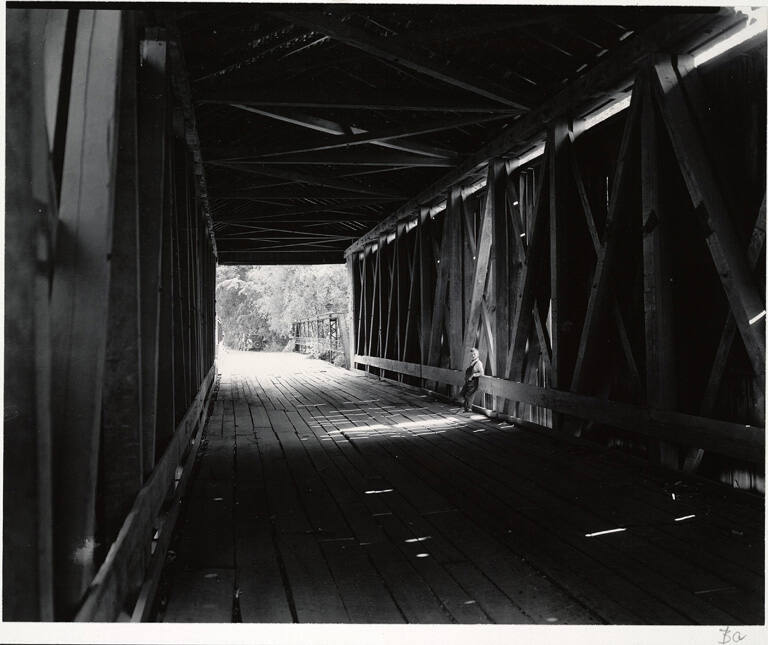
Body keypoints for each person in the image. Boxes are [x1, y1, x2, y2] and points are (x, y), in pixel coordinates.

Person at [460, 348, 483, 412]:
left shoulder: (479, 363)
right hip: (468, 382)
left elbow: (482, 373)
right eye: (472, 355)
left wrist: (474, 375)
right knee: (463, 394)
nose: (473, 356)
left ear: (478, 355)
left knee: (468, 395)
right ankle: (466, 408)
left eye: (474, 354)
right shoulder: (472, 362)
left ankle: (468, 409)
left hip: (474, 383)